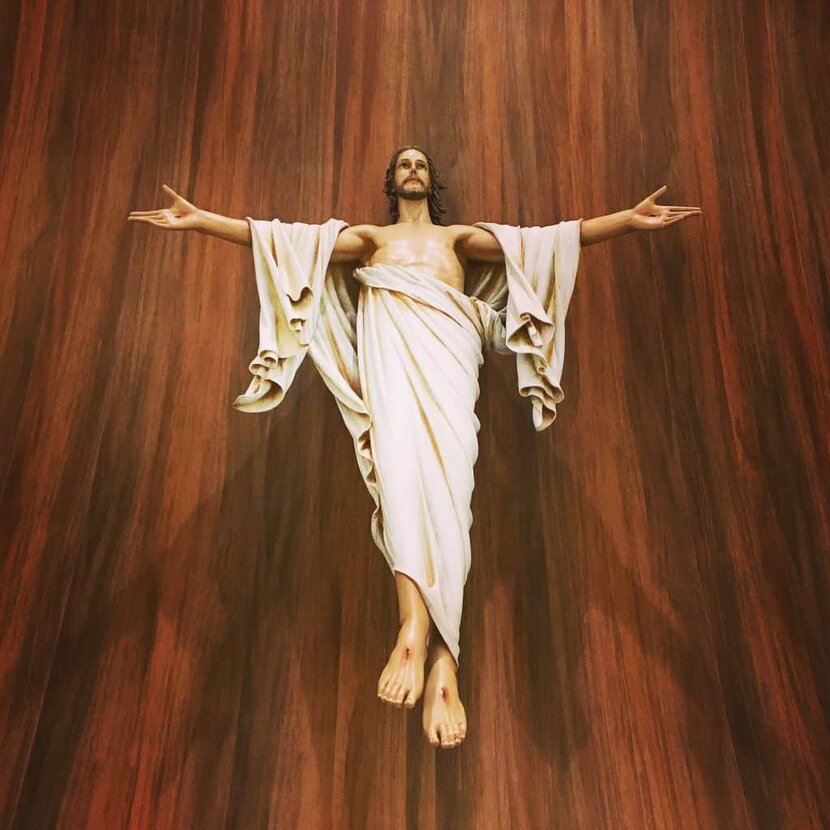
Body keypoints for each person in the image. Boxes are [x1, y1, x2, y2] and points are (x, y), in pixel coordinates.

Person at [128, 146, 701, 749]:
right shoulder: (369, 240)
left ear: (431, 181)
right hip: (392, 364)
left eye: (420, 164)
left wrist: (626, 221)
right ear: (391, 181)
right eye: (403, 163)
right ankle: (415, 632)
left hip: (449, 363)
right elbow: (283, 242)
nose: (412, 169)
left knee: (451, 497)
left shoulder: (459, 240)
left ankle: (443, 656)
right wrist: (202, 221)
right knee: (400, 482)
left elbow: (546, 242)